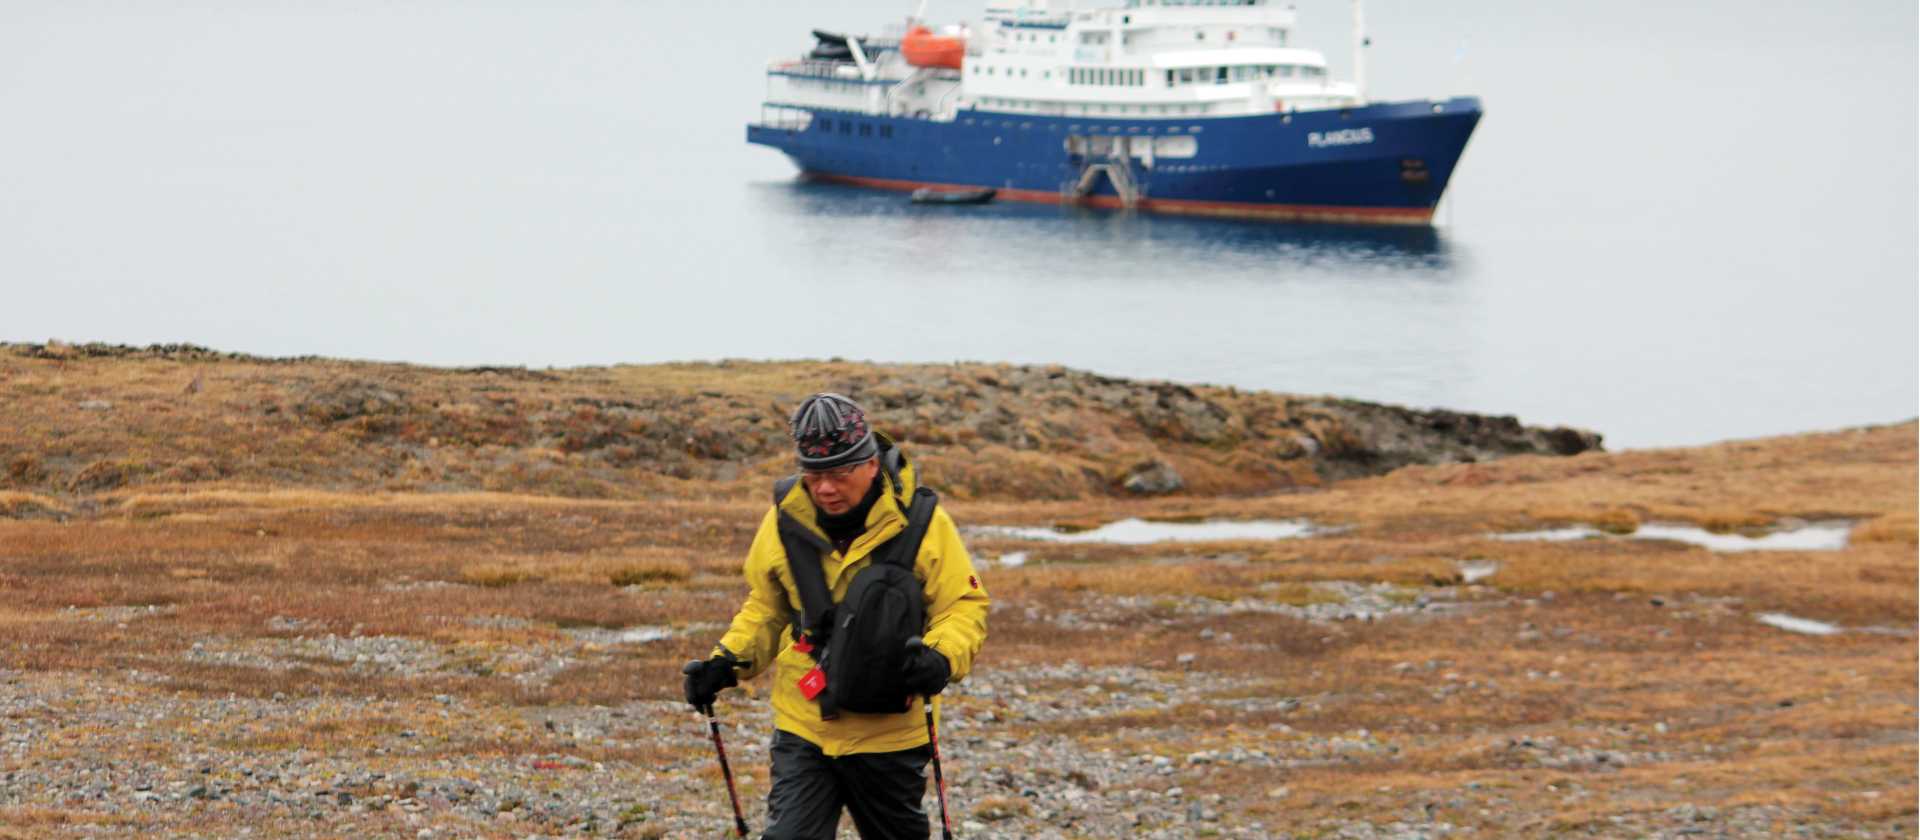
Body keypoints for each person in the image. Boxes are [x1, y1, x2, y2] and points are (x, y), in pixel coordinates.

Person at [683, 392, 990, 839]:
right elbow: (768, 607)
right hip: (804, 724)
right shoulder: (785, 519)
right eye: (813, 474)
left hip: (890, 733)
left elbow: (962, 606)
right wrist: (726, 661)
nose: (826, 488)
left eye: (840, 473)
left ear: (870, 462)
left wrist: (940, 657)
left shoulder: (922, 522)